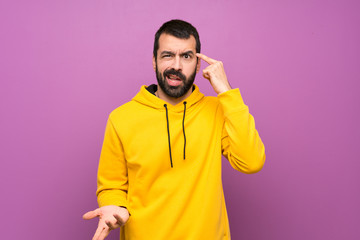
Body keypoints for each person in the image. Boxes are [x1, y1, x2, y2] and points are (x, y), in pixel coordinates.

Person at [83, 19, 266, 240]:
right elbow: (111, 185)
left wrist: (226, 92)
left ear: (198, 65)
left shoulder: (218, 110)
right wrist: (114, 206)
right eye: (168, 55)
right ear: (154, 61)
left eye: (186, 56)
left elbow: (251, 161)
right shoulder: (122, 118)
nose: (176, 66)